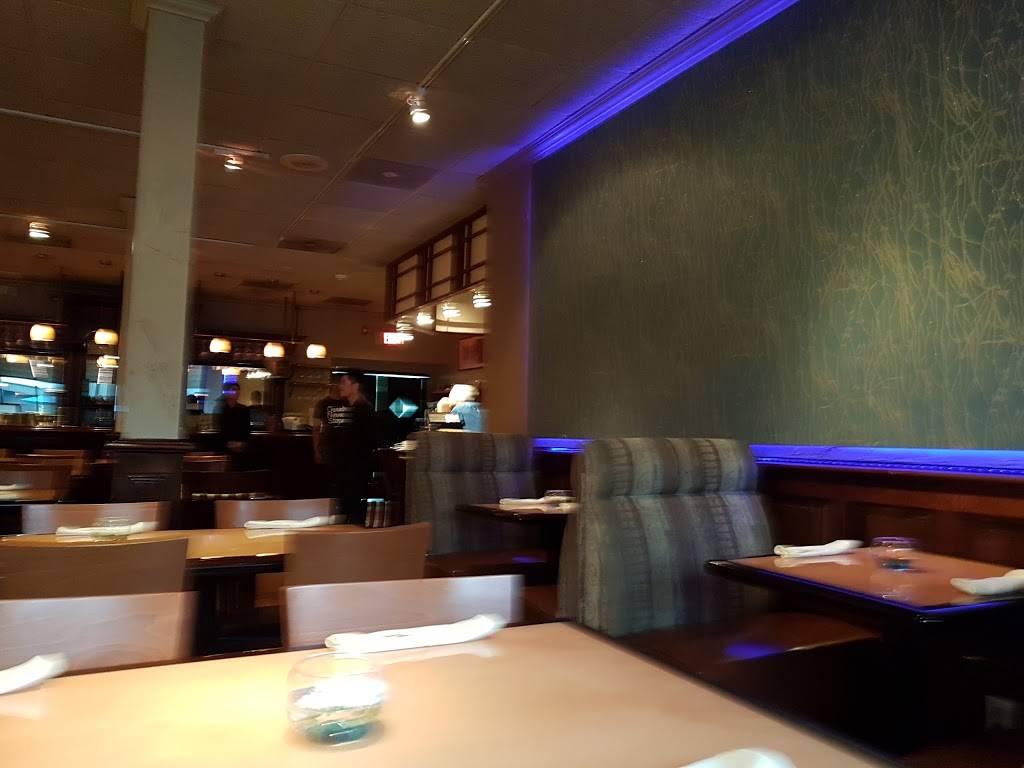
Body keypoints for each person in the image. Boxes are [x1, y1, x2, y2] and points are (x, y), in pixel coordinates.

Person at [314, 371, 376, 526]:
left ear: (355, 386)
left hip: (354, 468)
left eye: (344, 382)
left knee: (352, 508)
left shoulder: (363, 409)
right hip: (346, 468)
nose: (340, 386)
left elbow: (366, 440)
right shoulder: (350, 408)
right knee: (345, 506)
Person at [216, 381, 251, 465]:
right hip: (225, 446)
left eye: (238, 390)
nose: (237, 392)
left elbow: (246, 428)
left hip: (241, 446)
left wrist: (242, 443)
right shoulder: (221, 408)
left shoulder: (244, 409)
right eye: (234, 390)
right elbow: (220, 427)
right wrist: (228, 443)